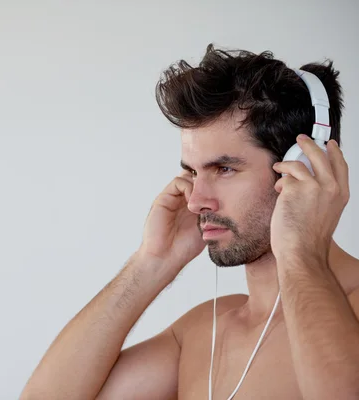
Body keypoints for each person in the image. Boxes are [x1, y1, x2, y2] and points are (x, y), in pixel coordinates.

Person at [19, 44, 359, 399]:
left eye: (224, 169)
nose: (196, 201)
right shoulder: (203, 332)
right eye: (192, 172)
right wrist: (151, 262)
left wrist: (301, 251)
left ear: (303, 166)